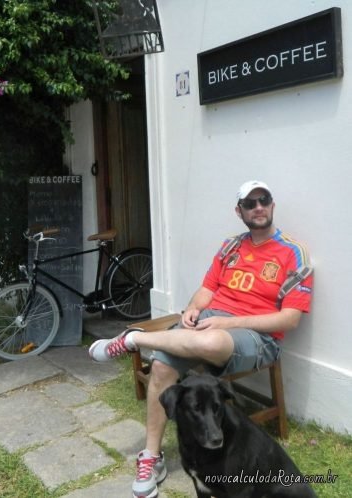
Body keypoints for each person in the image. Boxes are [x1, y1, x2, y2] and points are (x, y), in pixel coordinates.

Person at [89, 180, 313, 498]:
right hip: (211, 322)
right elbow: (207, 290)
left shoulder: (293, 252)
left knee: (210, 342)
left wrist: (227, 322)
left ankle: (137, 339)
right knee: (163, 369)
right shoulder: (230, 246)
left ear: (272, 205)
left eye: (264, 200)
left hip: (256, 336)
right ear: (240, 211)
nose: (258, 207)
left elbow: (290, 319)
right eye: (250, 203)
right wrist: (194, 309)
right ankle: (151, 458)